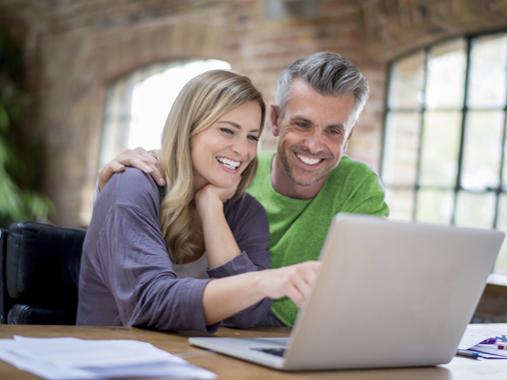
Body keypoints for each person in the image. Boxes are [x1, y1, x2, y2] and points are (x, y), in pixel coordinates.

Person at [94, 52, 389, 327]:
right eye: (302, 124)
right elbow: (146, 297)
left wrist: (211, 204)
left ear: (348, 135)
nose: (314, 145)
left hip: (250, 338)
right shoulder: (155, 181)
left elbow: (250, 311)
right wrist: (112, 194)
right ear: (275, 121)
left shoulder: (241, 200)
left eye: (333, 131)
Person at [77, 70, 319, 334]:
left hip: (192, 362)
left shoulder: (247, 211)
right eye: (227, 130)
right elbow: (148, 303)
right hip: (113, 359)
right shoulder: (133, 184)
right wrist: (263, 282)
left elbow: (248, 313)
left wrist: (211, 207)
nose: (243, 150)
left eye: (251, 136)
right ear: (187, 129)